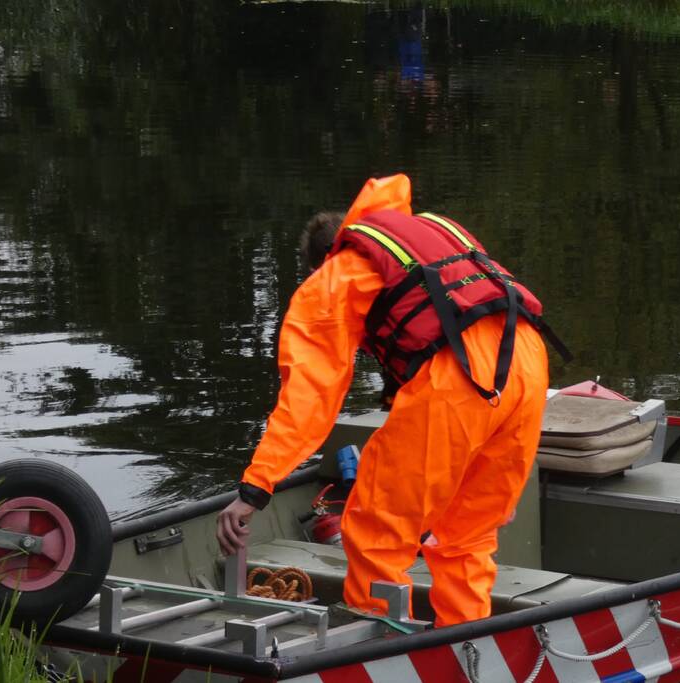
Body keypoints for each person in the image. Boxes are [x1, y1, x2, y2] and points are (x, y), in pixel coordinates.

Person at [216, 174, 563, 626]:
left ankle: (373, 638)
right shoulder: (434, 231)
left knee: (375, 528)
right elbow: (462, 319)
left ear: (322, 261)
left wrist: (254, 490)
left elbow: (308, 397)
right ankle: (468, 640)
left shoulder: (335, 277)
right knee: (467, 536)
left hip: (460, 381)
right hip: (527, 365)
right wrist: (496, 478)